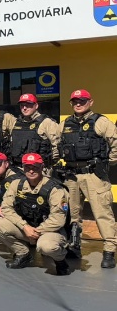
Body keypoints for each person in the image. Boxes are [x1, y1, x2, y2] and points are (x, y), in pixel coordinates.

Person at [56, 88, 117, 268]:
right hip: (72, 176)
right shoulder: (65, 123)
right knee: (72, 214)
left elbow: (115, 144)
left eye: (82, 100)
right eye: (75, 101)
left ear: (90, 102)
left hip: (94, 175)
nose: (78, 103)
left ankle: (109, 251)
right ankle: (75, 246)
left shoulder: (100, 122)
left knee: (102, 213)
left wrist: (106, 163)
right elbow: (55, 145)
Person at [0, 153, 70, 275]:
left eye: (35, 167)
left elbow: (58, 220)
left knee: (47, 246)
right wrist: (24, 227)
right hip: (27, 227)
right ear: (23, 167)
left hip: (50, 230)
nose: (31, 171)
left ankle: (60, 260)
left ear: (42, 167)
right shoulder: (16, 184)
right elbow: (6, 208)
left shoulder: (54, 189)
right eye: (27, 167)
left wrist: (36, 232)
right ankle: (23, 254)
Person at [10, 93, 59, 170]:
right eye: (22, 105)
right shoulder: (16, 123)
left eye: (28, 105)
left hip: (38, 170)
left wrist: (49, 164)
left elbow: (57, 145)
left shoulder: (46, 122)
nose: (24, 108)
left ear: (36, 106)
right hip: (17, 169)